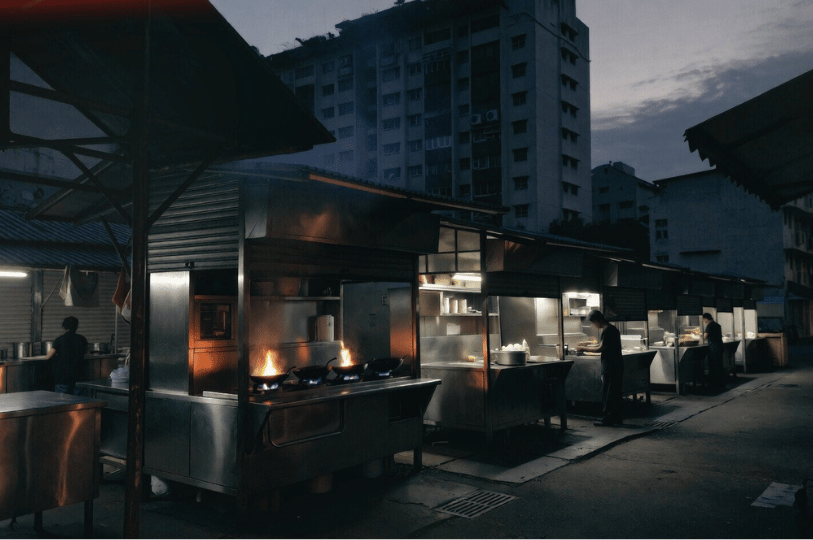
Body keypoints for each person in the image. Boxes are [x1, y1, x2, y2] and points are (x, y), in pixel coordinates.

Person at [576, 309, 624, 426]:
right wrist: (588, 344)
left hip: (610, 366)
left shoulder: (607, 331)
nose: (593, 325)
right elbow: (601, 345)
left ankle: (607, 418)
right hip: (617, 365)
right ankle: (617, 418)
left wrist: (584, 349)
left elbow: (601, 348)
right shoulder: (612, 329)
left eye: (593, 323)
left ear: (597, 321)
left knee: (608, 393)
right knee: (615, 392)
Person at [46, 316, 88, 395]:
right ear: (76, 327)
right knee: (79, 400)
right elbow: (87, 353)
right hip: (78, 375)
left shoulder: (60, 339)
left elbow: (48, 356)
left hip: (63, 376)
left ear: (64, 327)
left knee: (61, 401)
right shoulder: (82, 339)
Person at [702, 312, 725, 390]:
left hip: (713, 348)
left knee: (713, 366)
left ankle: (714, 384)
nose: (703, 322)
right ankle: (721, 383)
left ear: (706, 319)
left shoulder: (709, 326)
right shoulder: (717, 325)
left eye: (703, 320)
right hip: (720, 347)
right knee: (719, 365)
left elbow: (705, 336)